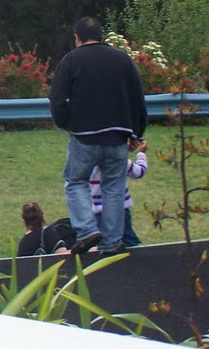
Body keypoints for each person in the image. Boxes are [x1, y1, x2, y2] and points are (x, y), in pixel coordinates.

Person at [49, 16, 147, 255]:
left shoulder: (71, 60)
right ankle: (112, 241)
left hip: (85, 135)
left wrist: (66, 123)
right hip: (117, 136)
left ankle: (86, 229)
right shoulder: (122, 59)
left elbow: (58, 98)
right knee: (114, 186)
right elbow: (137, 98)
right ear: (101, 36)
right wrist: (136, 132)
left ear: (77, 38)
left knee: (75, 182)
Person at [91, 138, 148, 248]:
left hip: (98, 211)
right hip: (119, 208)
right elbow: (139, 172)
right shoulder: (120, 161)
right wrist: (141, 153)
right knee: (129, 240)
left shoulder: (87, 162)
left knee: (103, 242)